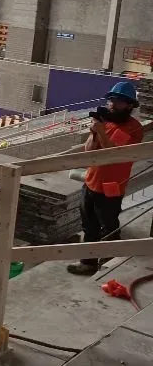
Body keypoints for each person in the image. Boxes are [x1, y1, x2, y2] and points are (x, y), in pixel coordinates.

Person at [66, 82, 144, 275]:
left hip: (111, 187)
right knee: (89, 225)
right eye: (111, 100)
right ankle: (89, 263)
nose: (112, 105)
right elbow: (89, 150)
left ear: (129, 105)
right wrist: (94, 132)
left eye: (117, 101)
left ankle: (109, 264)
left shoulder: (132, 129)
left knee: (108, 226)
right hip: (92, 182)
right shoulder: (106, 122)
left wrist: (101, 131)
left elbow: (112, 154)